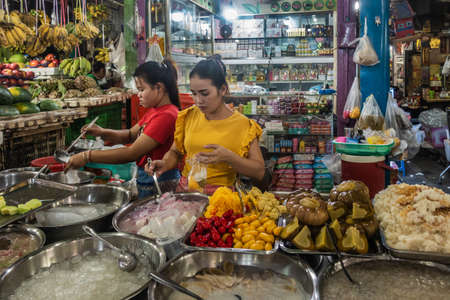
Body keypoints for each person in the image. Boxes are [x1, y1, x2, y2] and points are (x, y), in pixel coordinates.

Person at [146, 55, 265, 195]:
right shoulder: (189, 116)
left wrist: (230, 158)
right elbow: (175, 152)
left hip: (221, 199)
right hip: (187, 193)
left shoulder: (244, 125)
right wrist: (165, 163)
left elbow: (259, 171)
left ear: (223, 89)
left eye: (204, 93)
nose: (198, 100)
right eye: (194, 94)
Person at [65, 59, 181, 198]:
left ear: (159, 88)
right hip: (146, 179)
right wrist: (102, 132)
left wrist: (86, 156)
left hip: (160, 182)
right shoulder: (155, 110)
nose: (138, 95)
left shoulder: (167, 115)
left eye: (142, 90)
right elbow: (130, 134)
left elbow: (131, 153)